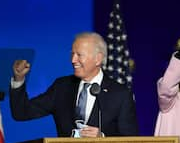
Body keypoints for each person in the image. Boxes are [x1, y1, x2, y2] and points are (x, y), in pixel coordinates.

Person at [10, 32, 138, 137]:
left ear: (98, 59)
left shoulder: (120, 94)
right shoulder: (61, 87)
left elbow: (130, 142)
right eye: (72, 54)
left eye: (79, 55)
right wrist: (19, 79)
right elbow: (22, 112)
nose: (73, 60)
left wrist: (103, 138)